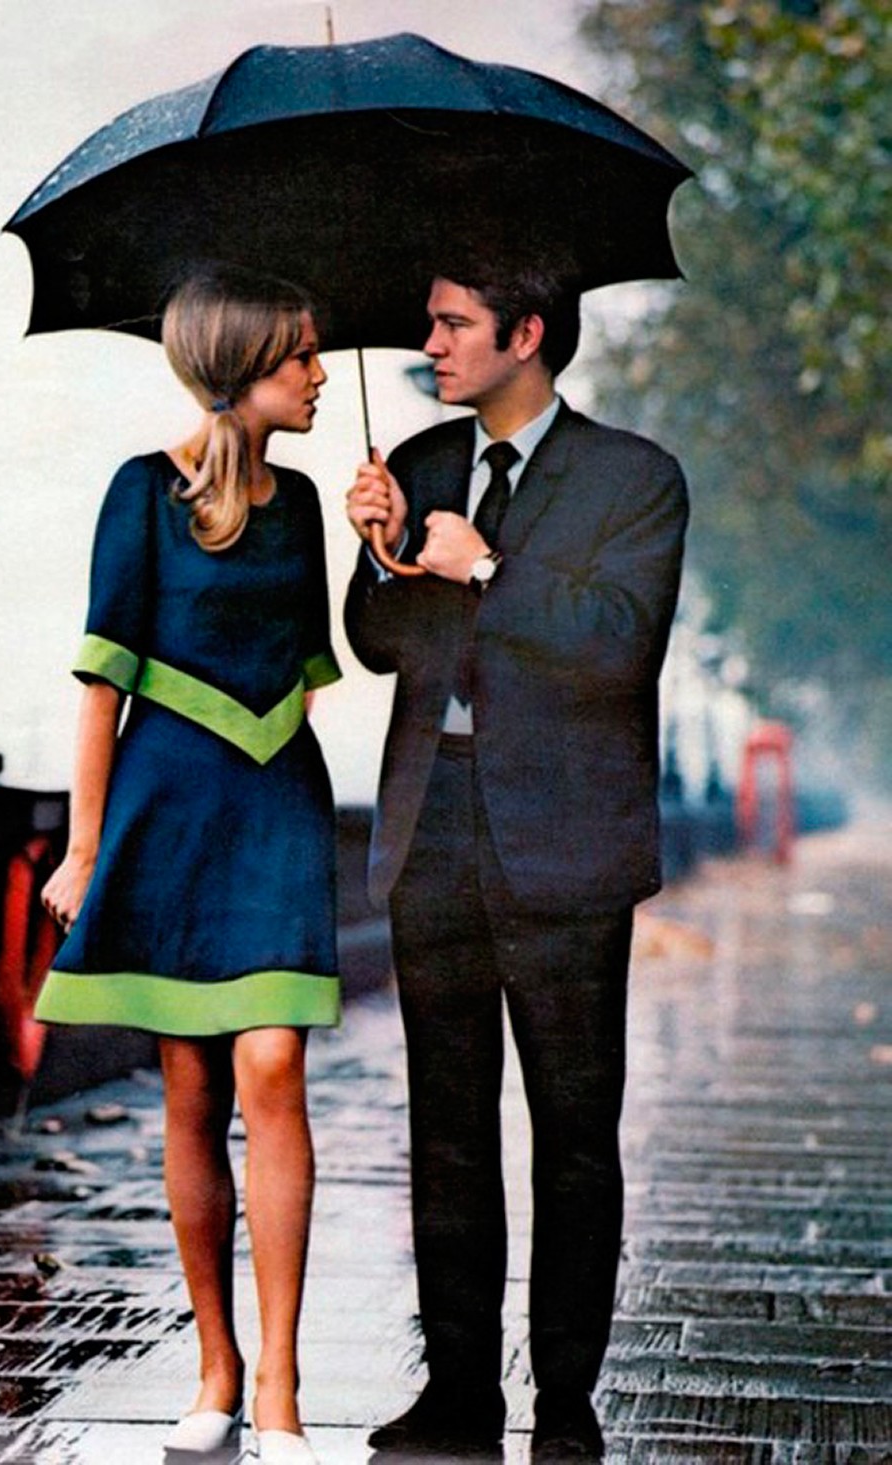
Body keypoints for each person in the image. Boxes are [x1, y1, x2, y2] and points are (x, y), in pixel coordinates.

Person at [345, 255, 688, 1462]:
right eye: (429, 323)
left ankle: (567, 1403)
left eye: (453, 324)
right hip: (432, 825)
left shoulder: (635, 477)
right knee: (445, 1126)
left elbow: (618, 643)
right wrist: (383, 548)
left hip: (569, 842)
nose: (431, 344)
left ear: (526, 333)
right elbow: (378, 644)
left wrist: (484, 567)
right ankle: (457, 1393)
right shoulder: (422, 464)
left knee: (574, 1131)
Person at [37, 264, 338, 1465]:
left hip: (277, 799)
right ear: (242, 365)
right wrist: (83, 849)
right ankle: (215, 1366)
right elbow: (101, 685)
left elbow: (314, 662)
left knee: (273, 1064)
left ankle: (281, 1386)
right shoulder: (141, 492)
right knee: (190, 1088)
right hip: (169, 805)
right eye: (301, 355)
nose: (318, 375)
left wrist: (382, 546)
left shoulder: (305, 501)